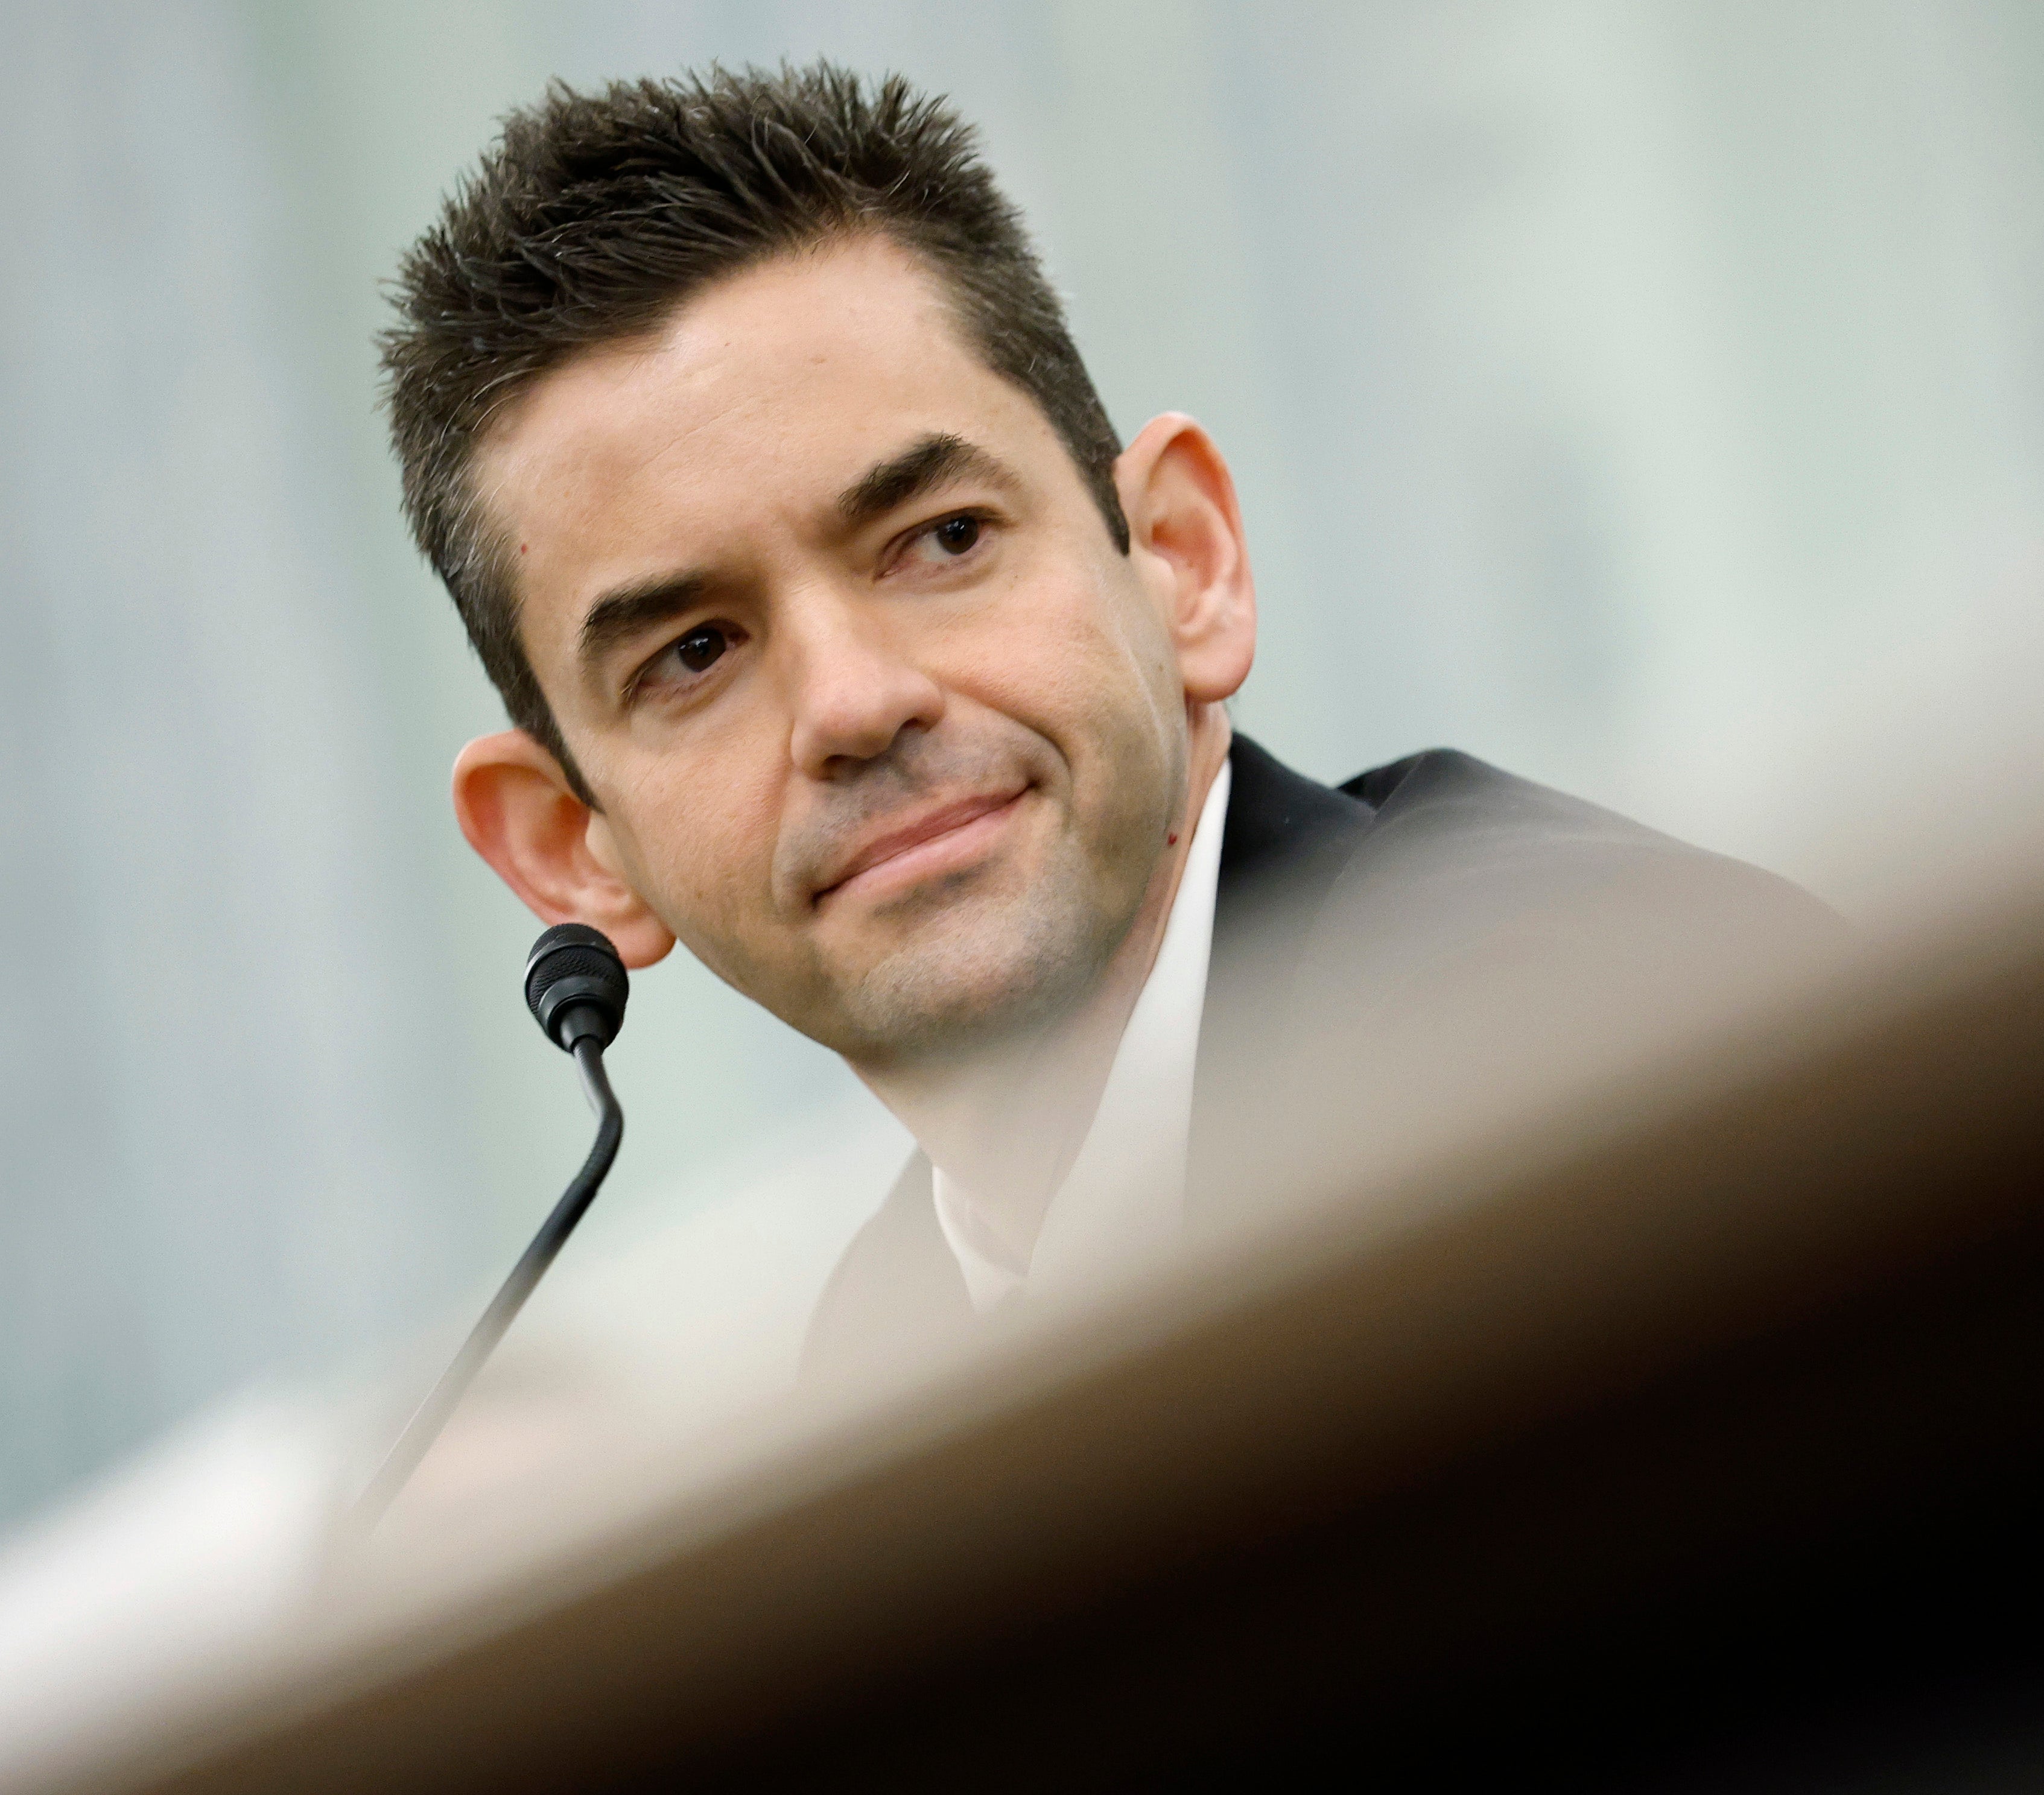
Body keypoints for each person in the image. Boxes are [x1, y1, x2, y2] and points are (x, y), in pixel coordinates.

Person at [381, 64, 1833, 1379]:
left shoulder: (1586, 1039)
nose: (854, 701)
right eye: (696, 652)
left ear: (1186, 564)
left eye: (942, 541)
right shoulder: (885, 1349)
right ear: (576, 851)